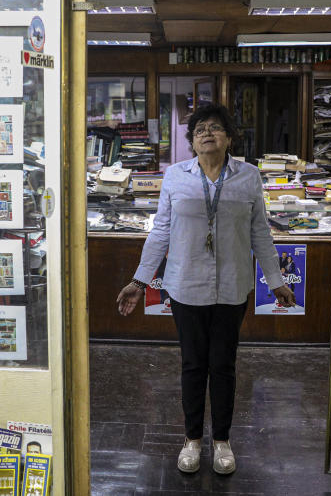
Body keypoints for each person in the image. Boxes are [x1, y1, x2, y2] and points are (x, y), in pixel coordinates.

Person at [116, 104, 295, 476]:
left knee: (224, 365)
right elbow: (161, 231)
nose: (206, 133)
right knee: (193, 365)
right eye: (199, 129)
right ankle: (193, 440)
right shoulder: (175, 176)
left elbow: (260, 231)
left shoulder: (248, 177)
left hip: (232, 287)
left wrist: (275, 280)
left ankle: (222, 441)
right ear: (192, 141)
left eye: (215, 127)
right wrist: (139, 281)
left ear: (229, 137)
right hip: (185, 286)